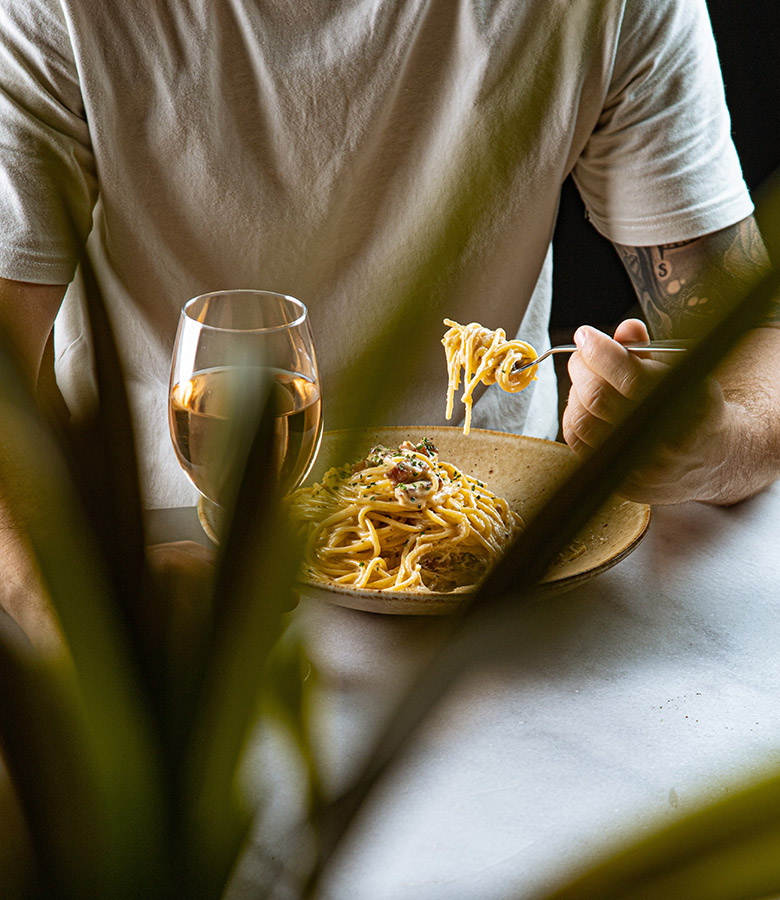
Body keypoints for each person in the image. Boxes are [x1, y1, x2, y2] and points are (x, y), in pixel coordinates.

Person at [1, 0, 779, 646]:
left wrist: (716, 438)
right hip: (149, 558)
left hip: (503, 566)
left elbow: (754, 333)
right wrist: (49, 588)